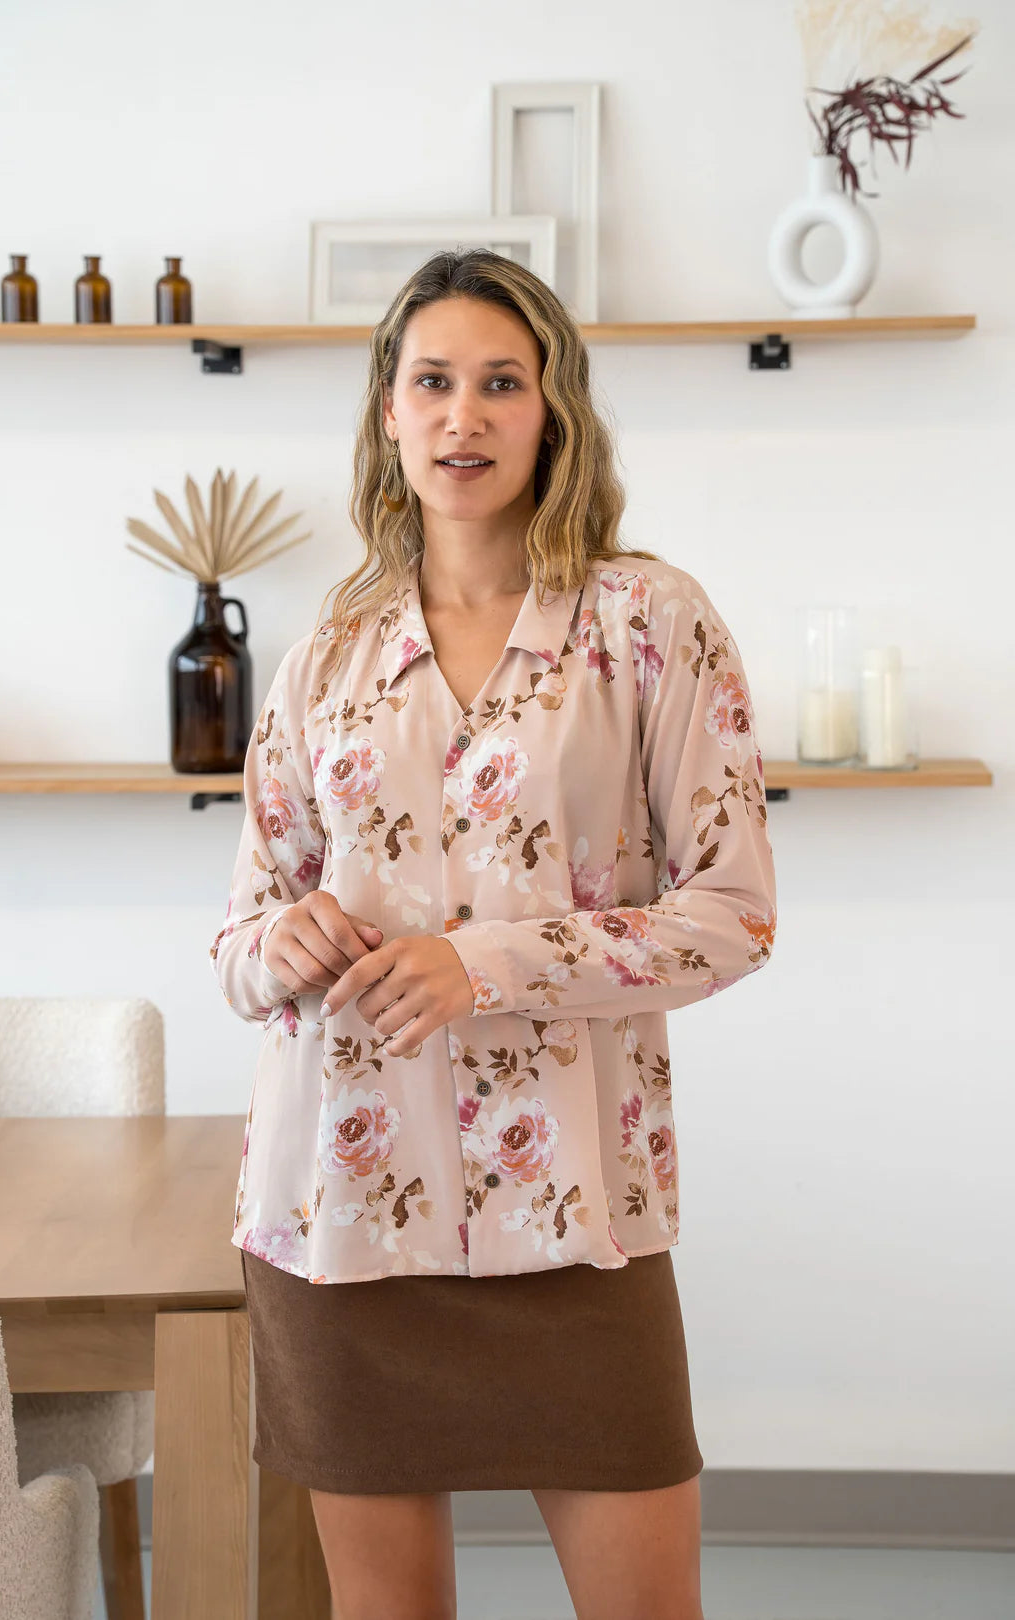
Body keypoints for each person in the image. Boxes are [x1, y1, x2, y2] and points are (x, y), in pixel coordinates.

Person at [209, 248, 777, 1620]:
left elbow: (733, 914)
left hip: (579, 1214)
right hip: (344, 1214)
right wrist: (281, 945)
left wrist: (489, 966)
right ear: (389, 413)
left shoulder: (651, 624)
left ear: (552, 412)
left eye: (502, 384)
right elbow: (240, 937)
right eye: (433, 382)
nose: (463, 416)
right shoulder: (326, 653)